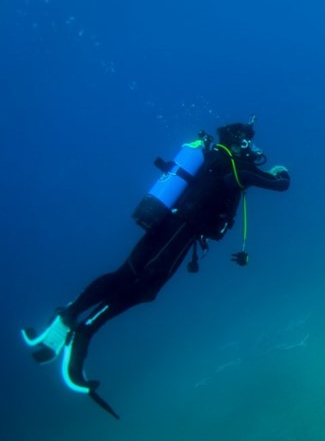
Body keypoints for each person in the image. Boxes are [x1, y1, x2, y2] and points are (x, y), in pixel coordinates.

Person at [21, 118, 290, 418]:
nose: (253, 146)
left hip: (168, 224)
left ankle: (70, 318)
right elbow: (279, 185)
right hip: (181, 231)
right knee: (142, 285)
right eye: (249, 140)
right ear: (239, 140)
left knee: (129, 275)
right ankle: (82, 329)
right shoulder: (233, 164)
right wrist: (282, 171)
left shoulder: (217, 160)